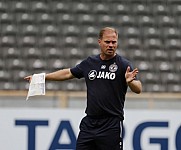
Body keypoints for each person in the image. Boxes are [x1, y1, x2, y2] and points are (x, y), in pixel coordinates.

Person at [24, 27, 142, 150]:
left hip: (111, 124)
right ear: (99, 42)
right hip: (90, 123)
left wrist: (130, 82)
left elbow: (138, 88)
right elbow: (68, 73)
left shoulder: (123, 65)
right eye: (107, 42)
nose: (111, 45)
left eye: (114, 42)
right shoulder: (90, 62)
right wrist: (43, 78)